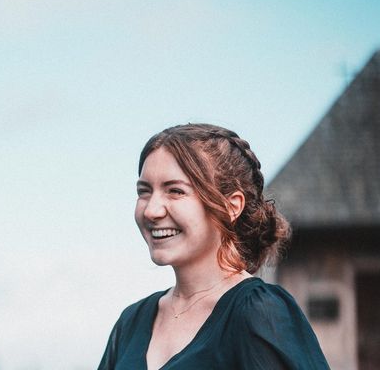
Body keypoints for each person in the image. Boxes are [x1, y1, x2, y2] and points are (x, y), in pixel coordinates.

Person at [98, 123, 329, 369]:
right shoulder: (131, 323)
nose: (152, 210)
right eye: (144, 191)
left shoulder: (259, 312)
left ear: (232, 206)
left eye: (175, 191)